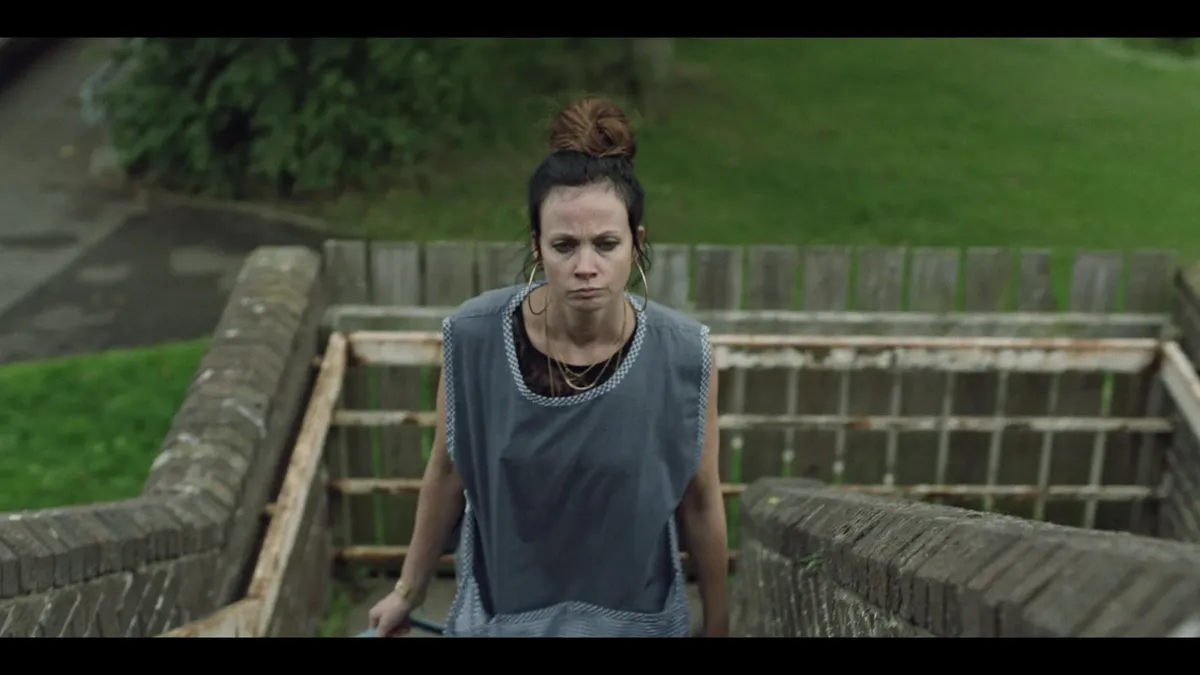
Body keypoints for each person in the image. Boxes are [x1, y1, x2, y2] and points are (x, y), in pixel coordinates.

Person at [367, 96, 729, 638]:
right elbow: (447, 470)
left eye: (606, 244)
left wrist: (720, 625)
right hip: (505, 622)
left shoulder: (683, 355)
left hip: (635, 624)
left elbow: (701, 500)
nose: (586, 266)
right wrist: (407, 592)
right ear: (537, 246)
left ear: (636, 245)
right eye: (565, 245)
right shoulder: (475, 338)